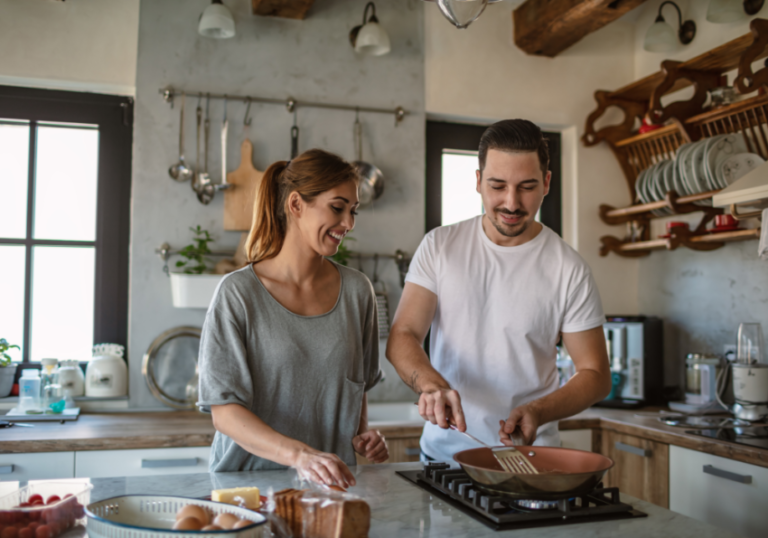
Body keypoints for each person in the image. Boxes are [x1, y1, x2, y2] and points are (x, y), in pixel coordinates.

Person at [386, 119, 611, 463]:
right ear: (478, 182)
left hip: (531, 459)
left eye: (527, 186)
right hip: (446, 458)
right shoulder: (440, 247)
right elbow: (403, 334)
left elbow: (595, 374)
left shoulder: (569, 268)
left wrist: (539, 409)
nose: (511, 202)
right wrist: (432, 387)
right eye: (497, 185)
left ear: (547, 183)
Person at [198, 149, 388, 487]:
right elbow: (225, 413)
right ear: (297, 204)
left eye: (353, 210)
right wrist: (300, 456)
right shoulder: (238, 294)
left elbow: (356, 386)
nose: (348, 223)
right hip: (246, 489)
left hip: (328, 488)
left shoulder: (359, 292)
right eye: (337, 207)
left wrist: (361, 433)